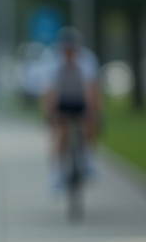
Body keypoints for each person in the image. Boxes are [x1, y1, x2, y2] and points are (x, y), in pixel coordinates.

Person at [39, 27, 101, 190]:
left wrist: (92, 112)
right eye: (66, 50)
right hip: (61, 98)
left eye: (72, 50)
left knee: (89, 125)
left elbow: (91, 89)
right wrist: (49, 114)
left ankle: (86, 160)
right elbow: (49, 91)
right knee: (60, 132)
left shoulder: (87, 59)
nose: (69, 54)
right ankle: (57, 174)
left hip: (80, 97)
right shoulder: (51, 60)